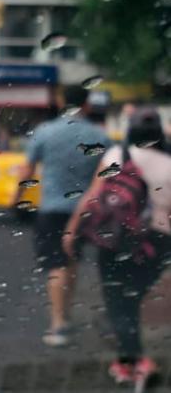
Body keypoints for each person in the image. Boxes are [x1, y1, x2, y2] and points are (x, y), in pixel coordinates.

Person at [63, 107, 171, 383]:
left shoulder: (116, 156)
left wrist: (71, 231)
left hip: (116, 238)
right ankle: (129, 362)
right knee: (131, 299)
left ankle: (135, 363)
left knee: (117, 302)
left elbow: (92, 196)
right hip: (159, 242)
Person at [12, 85, 111, 346]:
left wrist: (16, 200)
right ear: (88, 105)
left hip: (52, 209)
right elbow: (107, 177)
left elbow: (27, 171)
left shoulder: (45, 132)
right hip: (87, 211)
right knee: (71, 262)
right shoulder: (99, 135)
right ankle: (65, 315)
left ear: (60, 102)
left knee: (57, 265)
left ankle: (58, 324)